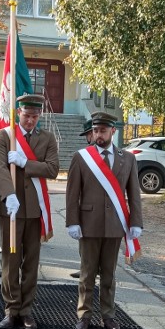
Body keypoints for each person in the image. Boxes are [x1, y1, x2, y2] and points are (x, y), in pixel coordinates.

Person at [65, 111, 143, 329]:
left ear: (113, 131)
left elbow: (134, 193)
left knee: (109, 273)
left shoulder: (127, 159)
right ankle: (84, 315)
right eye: (95, 131)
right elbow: (73, 194)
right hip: (88, 224)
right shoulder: (81, 157)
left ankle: (108, 316)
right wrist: (73, 221)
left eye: (103, 130)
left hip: (115, 224)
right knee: (87, 273)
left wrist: (136, 221)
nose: (99, 135)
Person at [0, 94, 60, 329]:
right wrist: (8, 194)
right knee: (11, 261)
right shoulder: (6, 136)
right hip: (10, 208)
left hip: (34, 209)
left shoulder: (47, 138)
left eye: (34, 116)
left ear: (39, 115)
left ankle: (27, 310)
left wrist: (24, 163)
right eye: (26, 115)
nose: (30, 120)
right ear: (18, 113)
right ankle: (11, 309)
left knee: (31, 262)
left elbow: (53, 169)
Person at [71, 118, 93, 280]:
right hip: (86, 204)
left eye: (88, 134)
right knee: (85, 240)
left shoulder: (88, 156)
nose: (88, 137)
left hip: (89, 205)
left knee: (87, 242)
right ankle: (86, 267)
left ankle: (88, 268)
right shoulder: (85, 154)